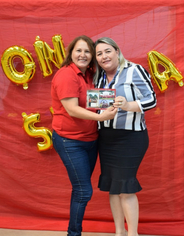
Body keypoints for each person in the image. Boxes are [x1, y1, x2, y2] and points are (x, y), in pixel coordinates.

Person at [51, 35, 117, 236]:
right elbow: (72, 109)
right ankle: (74, 233)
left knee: (80, 190)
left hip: (90, 140)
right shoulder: (66, 75)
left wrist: (119, 101)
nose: (83, 54)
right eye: (78, 50)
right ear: (71, 53)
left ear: (92, 57)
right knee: (84, 191)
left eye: (87, 51)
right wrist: (102, 117)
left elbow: (92, 101)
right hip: (70, 141)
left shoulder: (89, 74)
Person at [94, 37, 157, 236]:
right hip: (106, 138)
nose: (104, 56)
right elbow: (99, 108)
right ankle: (119, 232)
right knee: (113, 186)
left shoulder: (134, 70)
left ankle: (133, 234)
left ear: (117, 51)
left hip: (131, 138)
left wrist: (129, 106)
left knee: (125, 186)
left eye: (107, 51)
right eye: (99, 54)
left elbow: (152, 99)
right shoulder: (99, 77)